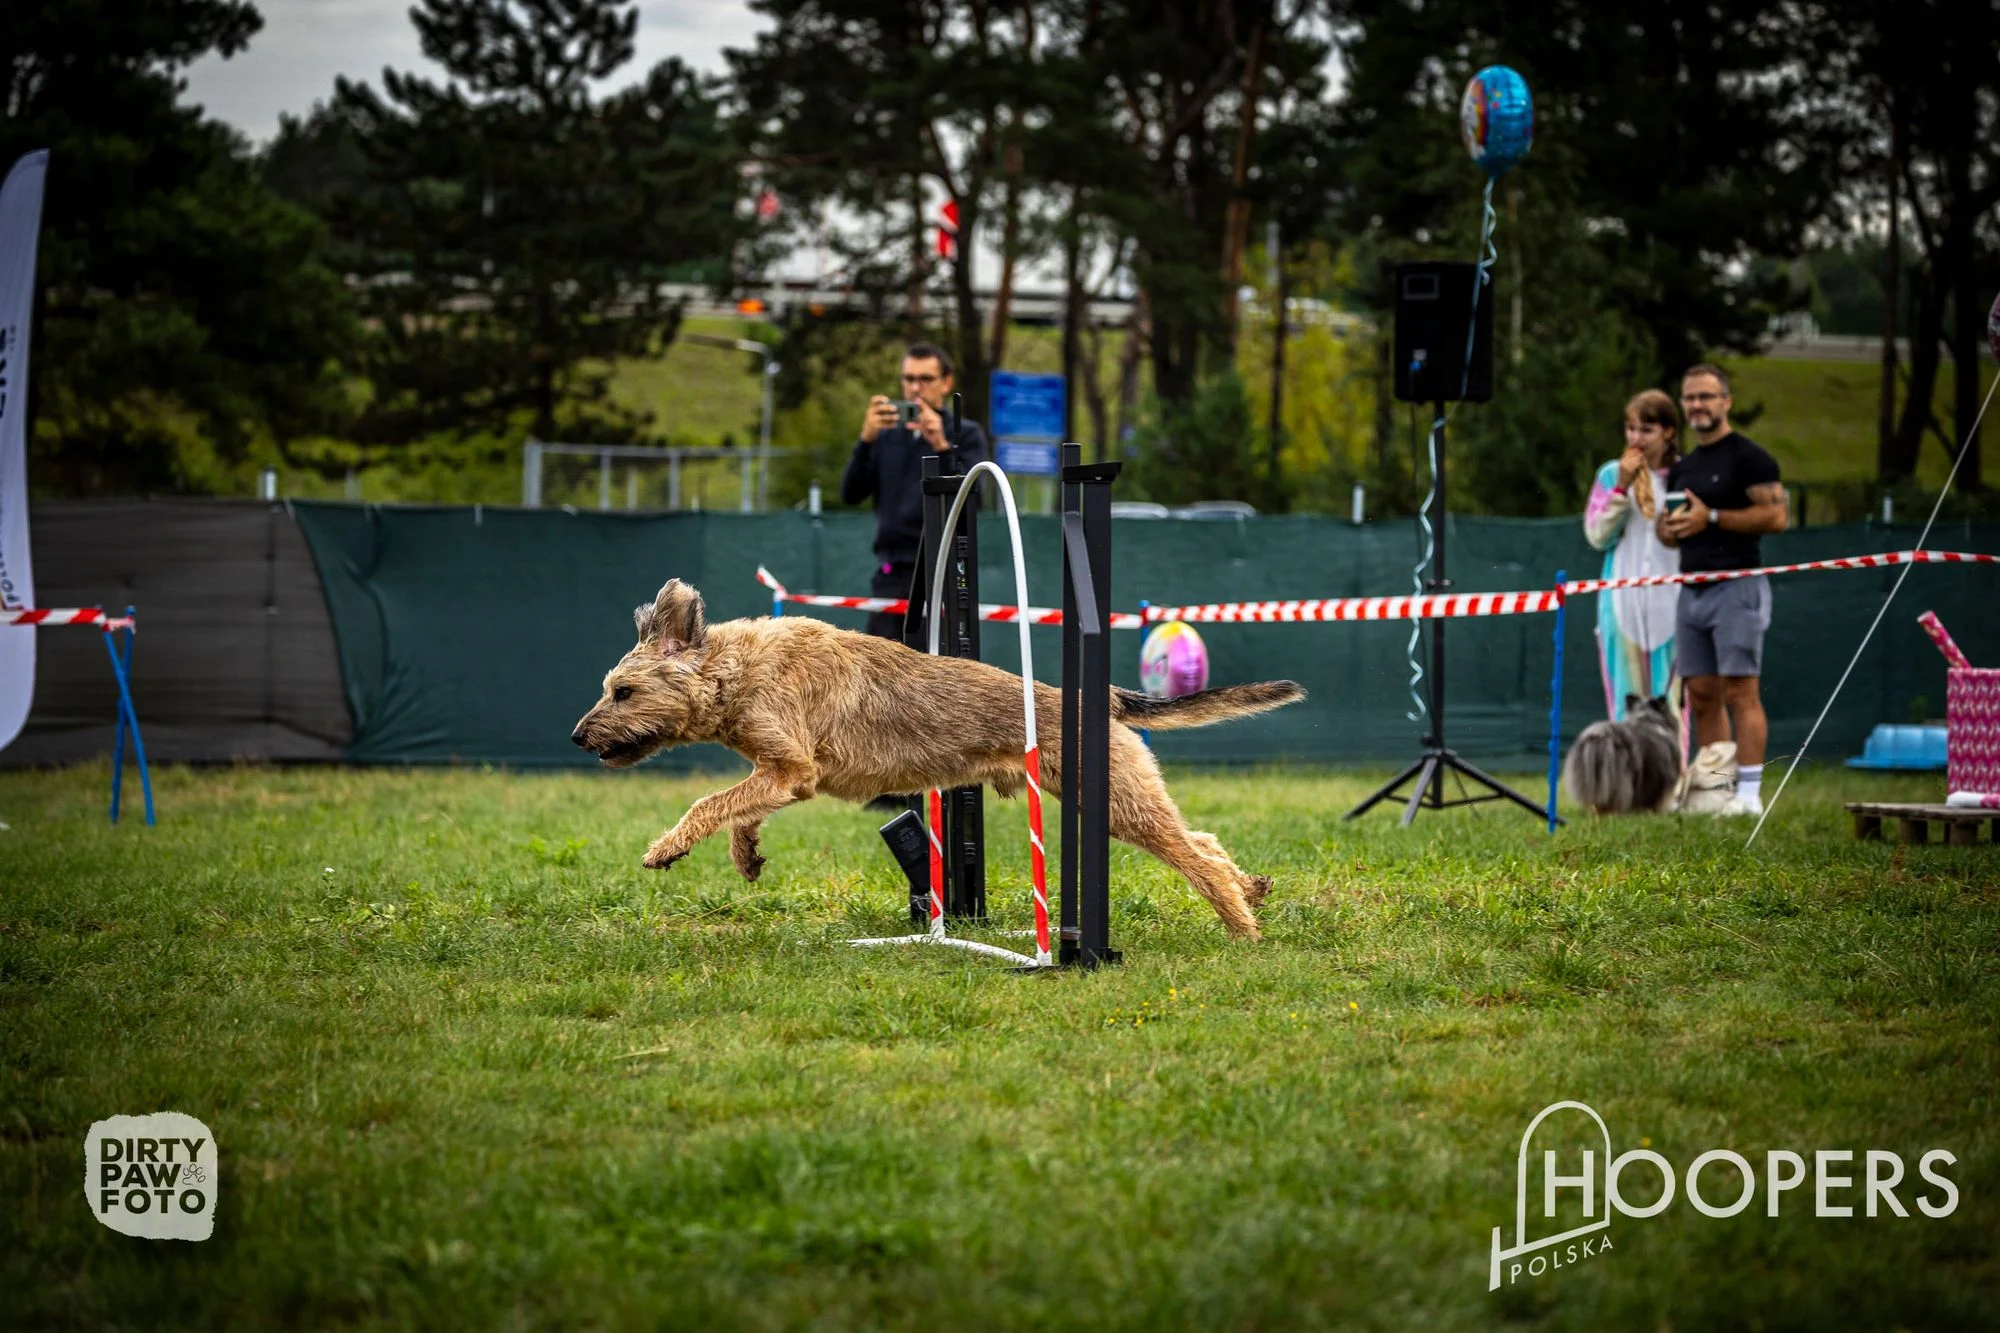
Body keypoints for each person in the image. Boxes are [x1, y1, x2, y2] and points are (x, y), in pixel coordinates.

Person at [1656, 363, 1788, 815]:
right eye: (1690, 398)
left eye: (1706, 397)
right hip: (1690, 589)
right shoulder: (1684, 468)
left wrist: (1711, 516)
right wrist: (1671, 527)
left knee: (1740, 691)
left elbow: (1776, 517)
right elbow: (1667, 532)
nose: (1697, 405)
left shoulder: (1750, 458)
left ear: (1726, 401)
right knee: (1701, 695)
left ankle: (1749, 796)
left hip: (1738, 586)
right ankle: (1717, 792)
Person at [839, 341, 990, 641]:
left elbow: (974, 501)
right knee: (880, 675)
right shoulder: (887, 434)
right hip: (891, 574)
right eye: (908, 379)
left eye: (925, 379)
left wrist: (943, 446)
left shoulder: (965, 433)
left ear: (946, 382)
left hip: (940, 573)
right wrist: (865, 441)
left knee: (935, 674)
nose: (915, 388)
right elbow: (850, 493)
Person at [1583, 389, 1682, 721]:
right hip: (1621, 605)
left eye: (1646, 430)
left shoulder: (1685, 476)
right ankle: (1626, 773)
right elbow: (1597, 535)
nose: (1636, 438)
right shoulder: (1611, 474)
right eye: (1631, 429)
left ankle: (1670, 774)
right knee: (1625, 708)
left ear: (1668, 432)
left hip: (1673, 605)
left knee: (1669, 707)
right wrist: (1621, 489)